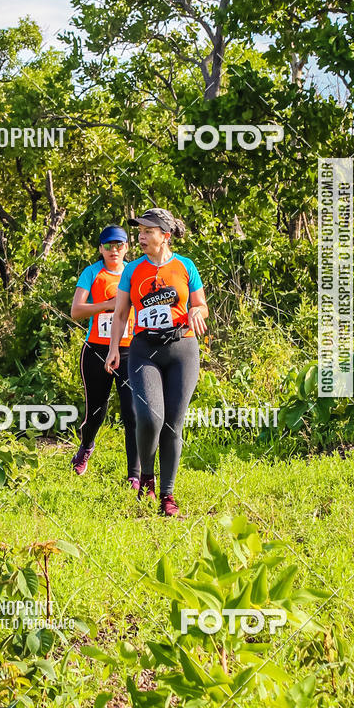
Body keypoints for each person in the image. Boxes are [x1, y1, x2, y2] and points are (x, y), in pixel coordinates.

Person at [105, 208, 208, 517]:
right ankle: (146, 476)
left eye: (147, 231)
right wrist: (113, 349)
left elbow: (201, 306)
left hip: (182, 348)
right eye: (139, 231)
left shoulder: (185, 266)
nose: (141, 236)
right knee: (150, 416)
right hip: (142, 349)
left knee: (173, 424)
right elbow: (121, 313)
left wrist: (195, 312)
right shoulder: (132, 270)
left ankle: (167, 495)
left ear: (165, 235)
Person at [70, 225, 140, 487]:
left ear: (126, 247)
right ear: (100, 249)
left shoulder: (135, 271)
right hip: (96, 351)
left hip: (129, 350)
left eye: (119, 245)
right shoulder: (91, 272)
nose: (114, 250)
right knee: (96, 413)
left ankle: (134, 474)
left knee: (132, 413)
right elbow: (76, 311)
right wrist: (109, 305)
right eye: (108, 246)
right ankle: (86, 446)